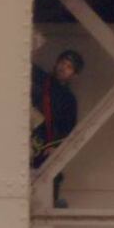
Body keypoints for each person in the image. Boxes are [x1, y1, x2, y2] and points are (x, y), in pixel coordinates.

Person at [31, 50, 84, 207]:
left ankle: (50, 202)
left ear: (74, 75)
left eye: (69, 67)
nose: (63, 68)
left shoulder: (68, 100)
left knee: (49, 176)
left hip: (45, 145)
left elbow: (68, 129)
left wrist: (55, 147)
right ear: (56, 63)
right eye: (62, 63)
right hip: (28, 136)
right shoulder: (40, 78)